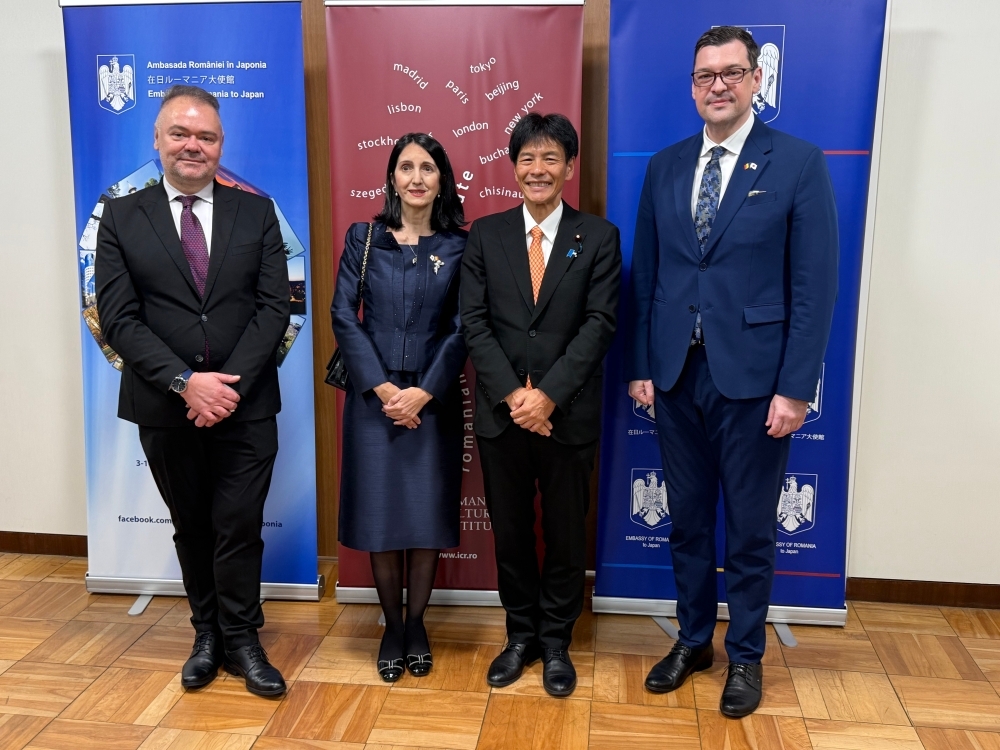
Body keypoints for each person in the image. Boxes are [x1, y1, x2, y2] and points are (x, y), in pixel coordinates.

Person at [626, 26, 839, 717]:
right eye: (704, 74)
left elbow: (814, 288)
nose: (717, 85)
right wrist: (642, 367)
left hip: (755, 385)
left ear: (755, 82)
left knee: (748, 530)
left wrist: (795, 387)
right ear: (691, 86)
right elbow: (649, 276)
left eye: (731, 72)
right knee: (686, 522)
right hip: (676, 378)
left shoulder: (798, 163)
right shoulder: (665, 166)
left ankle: (744, 656)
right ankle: (694, 640)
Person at [95, 85, 290, 696]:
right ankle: (207, 635)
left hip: (246, 402)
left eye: (205, 136)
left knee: (239, 523)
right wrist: (186, 383)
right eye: (179, 133)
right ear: (156, 140)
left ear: (220, 145)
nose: (192, 145)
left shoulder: (257, 213)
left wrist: (224, 388)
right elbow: (120, 317)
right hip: (164, 405)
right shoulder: (121, 218)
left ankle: (243, 639)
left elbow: (274, 309)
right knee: (192, 525)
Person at [462, 113, 621, 697]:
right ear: (513, 167)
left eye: (550, 158)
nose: (538, 169)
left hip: (567, 415)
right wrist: (513, 394)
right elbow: (473, 322)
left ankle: (557, 641)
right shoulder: (486, 233)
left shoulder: (599, 237)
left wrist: (548, 395)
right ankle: (520, 636)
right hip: (504, 415)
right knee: (510, 533)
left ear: (569, 168)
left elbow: (600, 324)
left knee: (564, 534)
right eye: (527, 158)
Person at [332, 133, 468, 683]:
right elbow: (344, 315)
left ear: (442, 180)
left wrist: (425, 391)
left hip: (433, 402)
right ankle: (391, 626)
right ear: (391, 178)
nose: (416, 177)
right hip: (374, 402)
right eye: (406, 167)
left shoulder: (462, 246)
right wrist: (386, 391)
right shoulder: (364, 238)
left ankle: (417, 624)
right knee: (382, 517)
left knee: (426, 517)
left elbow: (464, 326)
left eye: (427, 168)